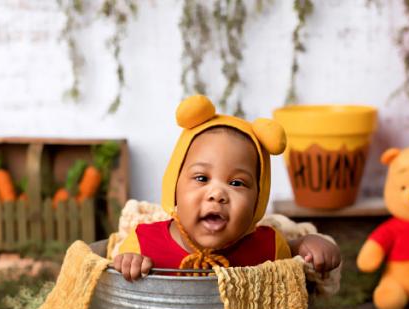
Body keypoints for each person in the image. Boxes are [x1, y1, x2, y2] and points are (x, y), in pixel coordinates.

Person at [113, 95, 341, 281]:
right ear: (174, 187)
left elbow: (291, 257)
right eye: (202, 178)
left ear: (257, 201)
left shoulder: (269, 248)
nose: (218, 194)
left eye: (236, 183)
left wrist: (305, 244)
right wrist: (127, 262)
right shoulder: (144, 242)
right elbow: (114, 270)